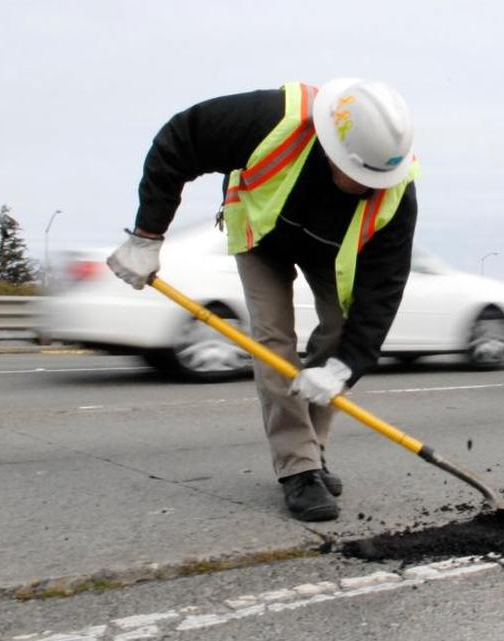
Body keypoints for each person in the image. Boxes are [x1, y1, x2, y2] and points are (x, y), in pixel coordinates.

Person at [106, 79, 420, 522]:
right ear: (331, 147)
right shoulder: (270, 119)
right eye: (360, 175)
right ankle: (298, 468)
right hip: (263, 232)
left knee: (340, 335)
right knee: (273, 341)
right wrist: (147, 236)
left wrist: (345, 368)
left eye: (378, 178)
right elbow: (178, 139)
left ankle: (313, 449)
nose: (370, 187)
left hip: (331, 249)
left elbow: (384, 288)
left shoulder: (396, 191)